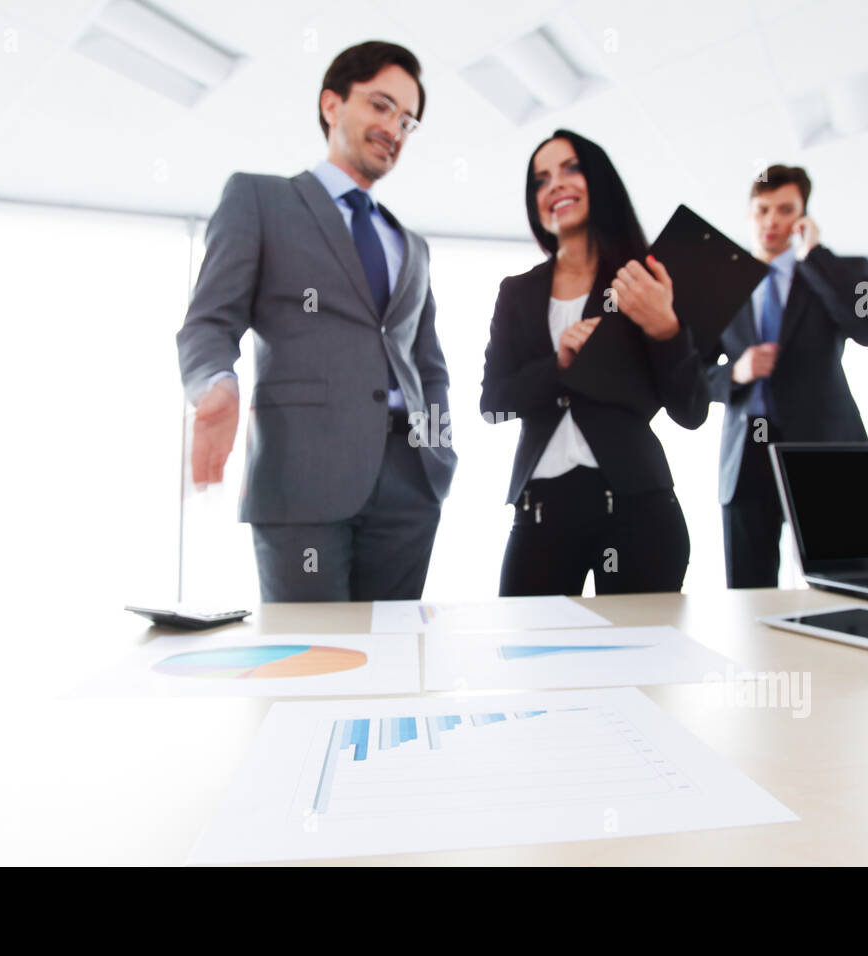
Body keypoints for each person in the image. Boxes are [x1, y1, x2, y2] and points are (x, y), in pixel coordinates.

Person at [175, 41, 456, 602]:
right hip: (301, 476)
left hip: (409, 485)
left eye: (407, 120)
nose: (394, 128)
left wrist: (440, 455)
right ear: (332, 103)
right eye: (380, 106)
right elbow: (209, 322)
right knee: (312, 668)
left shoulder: (414, 246)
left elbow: (429, 366)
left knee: (393, 666)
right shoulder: (260, 199)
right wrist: (217, 384)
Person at [480, 129, 710, 597]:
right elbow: (493, 405)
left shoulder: (645, 279)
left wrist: (665, 327)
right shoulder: (516, 292)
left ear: (598, 181)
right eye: (541, 180)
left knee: (638, 666)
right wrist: (559, 364)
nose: (555, 185)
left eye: (570, 169)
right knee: (529, 657)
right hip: (540, 506)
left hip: (636, 505)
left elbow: (692, 411)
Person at [704, 164, 868, 588]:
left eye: (785, 209)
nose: (772, 220)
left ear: (803, 217)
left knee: (845, 588)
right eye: (763, 210)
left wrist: (815, 256)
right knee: (748, 597)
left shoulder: (837, 271)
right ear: (750, 214)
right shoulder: (723, 285)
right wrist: (734, 372)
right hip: (746, 455)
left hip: (823, 450)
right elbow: (691, 377)